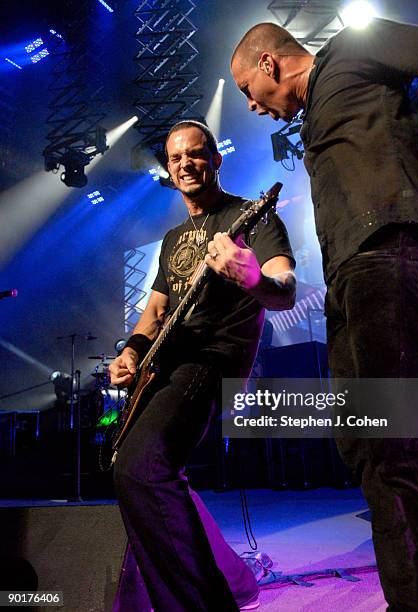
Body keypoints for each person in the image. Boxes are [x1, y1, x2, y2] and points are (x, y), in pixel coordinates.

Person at [231, 18, 418, 612]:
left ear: (268, 64)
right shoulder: (316, 116)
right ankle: (412, 597)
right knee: (365, 445)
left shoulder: (357, 46)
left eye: (245, 90)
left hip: (391, 250)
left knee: (401, 437)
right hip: (352, 278)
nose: (251, 106)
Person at [109, 119, 296, 611]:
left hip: (211, 359)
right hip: (167, 362)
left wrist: (251, 276)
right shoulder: (172, 239)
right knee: (139, 470)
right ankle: (233, 581)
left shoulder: (251, 217)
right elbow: (155, 310)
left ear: (216, 159)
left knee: (140, 466)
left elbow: (285, 289)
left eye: (195, 154)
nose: (185, 164)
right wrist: (131, 350)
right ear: (168, 170)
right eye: (175, 158)